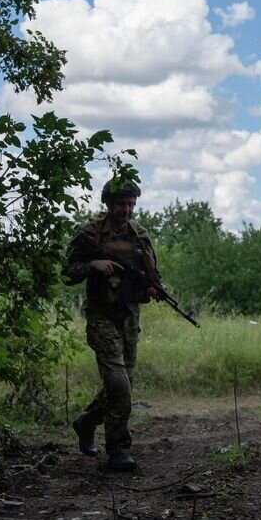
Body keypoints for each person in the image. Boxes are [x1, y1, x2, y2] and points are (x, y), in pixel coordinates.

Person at [64, 176, 163, 471]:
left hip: (130, 317)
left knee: (124, 384)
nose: (127, 210)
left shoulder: (139, 235)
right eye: (121, 204)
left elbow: (151, 275)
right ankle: (118, 450)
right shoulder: (90, 233)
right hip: (101, 315)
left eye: (131, 204)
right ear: (108, 203)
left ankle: (86, 422)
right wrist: (93, 265)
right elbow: (68, 271)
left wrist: (153, 288)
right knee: (118, 383)